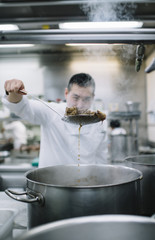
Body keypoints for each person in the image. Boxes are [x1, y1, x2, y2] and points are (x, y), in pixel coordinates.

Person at [3, 73, 108, 168]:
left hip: (86, 184)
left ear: (93, 97)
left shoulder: (99, 121)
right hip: (52, 185)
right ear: (66, 93)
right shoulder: (51, 112)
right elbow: (22, 107)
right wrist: (14, 93)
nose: (80, 105)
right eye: (75, 98)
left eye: (86, 99)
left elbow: (101, 159)